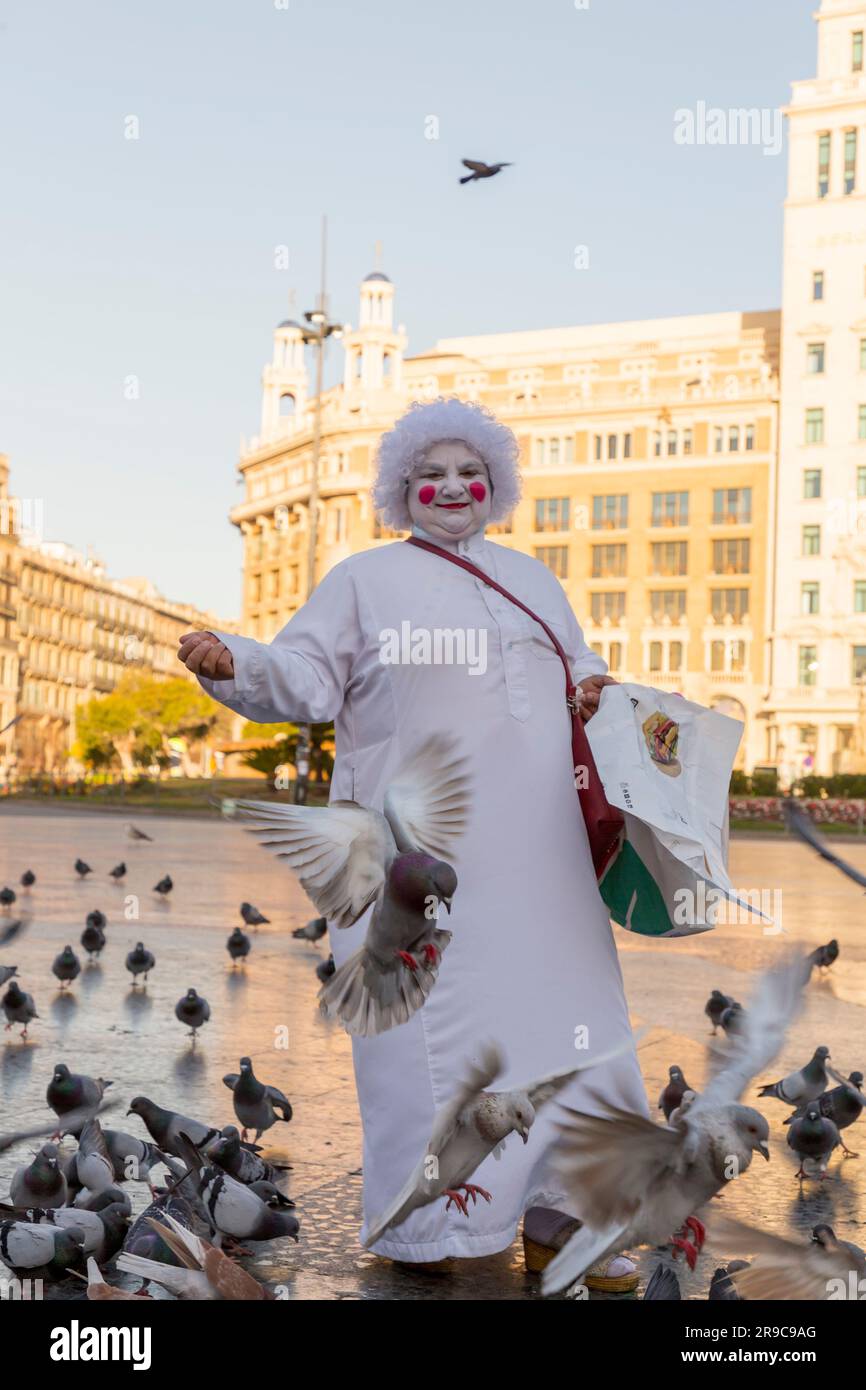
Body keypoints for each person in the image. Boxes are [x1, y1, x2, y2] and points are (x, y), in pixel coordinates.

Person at [178, 397, 647, 1287]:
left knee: (574, 1028)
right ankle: (427, 1229)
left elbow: (582, 667)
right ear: (400, 492)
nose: (451, 488)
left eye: (469, 473)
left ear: (496, 484)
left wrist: (594, 689)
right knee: (427, 1038)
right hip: (420, 855)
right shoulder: (363, 579)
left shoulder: (536, 580)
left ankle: (572, 1221)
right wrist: (241, 662)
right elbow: (309, 679)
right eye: (427, 476)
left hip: (543, 859)